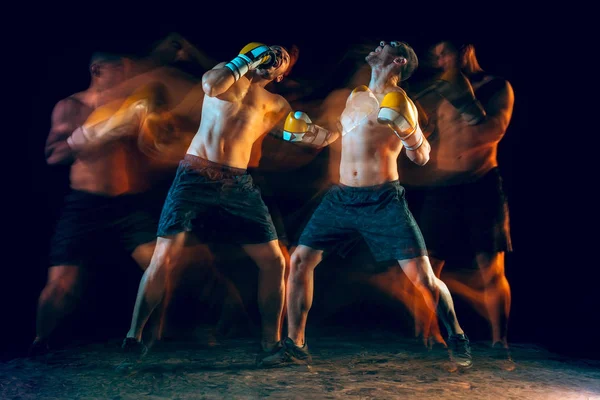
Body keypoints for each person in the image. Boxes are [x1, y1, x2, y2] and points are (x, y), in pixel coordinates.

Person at [261, 40, 473, 369]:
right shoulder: (356, 95)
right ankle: (296, 344)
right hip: (342, 196)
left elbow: (422, 156)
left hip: (383, 199)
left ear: (399, 61)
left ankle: (457, 335)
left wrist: (409, 130)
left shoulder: (401, 101)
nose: (380, 45)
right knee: (301, 260)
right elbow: (337, 137)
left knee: (423, 278)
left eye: (389, 45)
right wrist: (306, 134)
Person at [121, 42, 296, 365]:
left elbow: (296, 135)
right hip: (195, 174)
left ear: (283, 75)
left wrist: (321, 135)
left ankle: (271, 345)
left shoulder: (277, 103)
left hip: (238, 184)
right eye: (272, 50)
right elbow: (211, 85)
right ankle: (134, 336)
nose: (276, 55)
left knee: (275, 261)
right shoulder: (224, 75)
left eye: (282, 57)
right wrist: (251, 58)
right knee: (164, 258)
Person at [30, 52, 172, 356]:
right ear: (98, 70)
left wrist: (153, 133)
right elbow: (53, 155)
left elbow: (156, 150)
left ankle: (152, 341)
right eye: (119, 69)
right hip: (85, 206)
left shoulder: (134, 105)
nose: (127, 75)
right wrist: (93, 136)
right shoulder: (72, 106)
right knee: (62, 284)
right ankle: (40, 342)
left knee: (160, 268)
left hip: (129, 206)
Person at [401, 39, 515, 359]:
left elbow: (492, 132)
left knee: (490, 268)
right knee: (429, 268)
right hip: (443, 186)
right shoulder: (435, 89)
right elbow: (423, 134)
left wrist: (464, 99)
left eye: (444, 53)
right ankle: (432, 335)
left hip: (481, 184)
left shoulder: (496, 87)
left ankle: (499, 342)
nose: (439, 61)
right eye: (435, 55)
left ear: (465, 49)